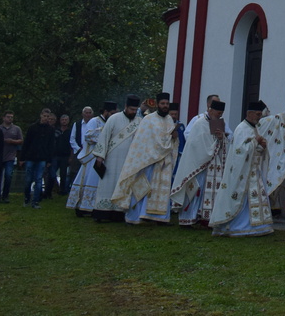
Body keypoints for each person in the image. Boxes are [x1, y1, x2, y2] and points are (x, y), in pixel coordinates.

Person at [211, 100, 275, 237]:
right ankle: (239, 226)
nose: (259, 117)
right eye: (258, 114)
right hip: (243, 173)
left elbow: (253, 149)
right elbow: (240, 151)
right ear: (250, 113)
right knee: (243, 200)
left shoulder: (253, 128)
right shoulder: (241, 128)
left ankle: (258, 226)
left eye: (260, 114)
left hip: (253, 172)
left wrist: (262, 146)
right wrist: (255, 142)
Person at [112, 92, 179, 224]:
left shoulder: (170, 120)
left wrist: (174, 137)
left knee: (160, 189)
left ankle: (159, 217)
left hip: (163, 162)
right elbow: (142, 141)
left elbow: (171, 142)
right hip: (148, 160)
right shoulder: (148, 119)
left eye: (167, 104)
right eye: (162, 104)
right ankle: (135, 216)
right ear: (158, 104)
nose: (165, 106)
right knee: (143, 187)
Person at [171, 99, 228, 227]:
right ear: (211, 110)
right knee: (194, 191)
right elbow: (196, 145)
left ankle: (203, 218)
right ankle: (187, 219)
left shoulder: (218, 123)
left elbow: (223, 143)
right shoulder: (200, 123)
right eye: (218, 113)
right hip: (197, 165)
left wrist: (221, 138)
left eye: (221, 114)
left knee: (206, 193)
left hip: (211, 167)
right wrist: (212, 148)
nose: (219, 116)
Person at [92, 94, 143, 222]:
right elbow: (104, 137)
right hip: (111, 159)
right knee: (108, 184)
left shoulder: (139, 121)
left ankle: (120, 213)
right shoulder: (114, 118)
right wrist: (100, 157)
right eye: (131, 109)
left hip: (129, 161)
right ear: (125, 106)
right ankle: (102, 213)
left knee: (124, 185)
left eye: (135, 110)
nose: (133, 112)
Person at [67, 101, 113, 216]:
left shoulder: (110, 122)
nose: (113, 115)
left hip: (102, 157)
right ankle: (81, 207)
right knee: (87, 180)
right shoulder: (94, 121)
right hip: (90, 157)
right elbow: (88, 136)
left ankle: (93, 207)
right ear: (106, 111)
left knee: (97, 182)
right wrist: (105, 133)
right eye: (112, 113)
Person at [18, 109, 55, 209]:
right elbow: (26, 143)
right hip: (31, 156)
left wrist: (49, 160)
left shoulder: (50, 130)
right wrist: (22, 158)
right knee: (28, 179)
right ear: (41, 116)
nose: (46, 118)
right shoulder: (32, 128)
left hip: (42, 157)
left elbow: (51, 146)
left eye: (48, 116)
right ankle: (27, 197)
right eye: (44, 116)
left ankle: (35, 201)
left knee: (39, 179)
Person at [0, 111, 22, 203]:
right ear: (3, 118)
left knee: (8, 175)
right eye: (8, 117)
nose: (10, 119)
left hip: (10, 156)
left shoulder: (16, 129)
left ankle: (5, 195)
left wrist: (12, 141)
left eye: (11, 117)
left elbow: (21, 141)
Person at [67, 107, 93, 194]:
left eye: (89, 113)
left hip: (90, 152)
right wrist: (78, 149)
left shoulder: (95, 124)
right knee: (75, 171)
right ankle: (74, 190)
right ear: (83, 114)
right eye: (86, 113)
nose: (88, 115)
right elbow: (72, 139)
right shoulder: (77, 124)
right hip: (79, 151)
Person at [50, 114, 72, 196]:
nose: (64, 121)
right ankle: (51, 189)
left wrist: (71, 156)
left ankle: (63, 190)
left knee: (63, 174)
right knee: (52, 173)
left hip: (65, 156)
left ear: (68, 121)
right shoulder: (56, 130)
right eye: (63, 120)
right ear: (60, 121)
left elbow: (71, 145)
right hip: (55, 155)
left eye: (66, 120)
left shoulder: (70, 132)